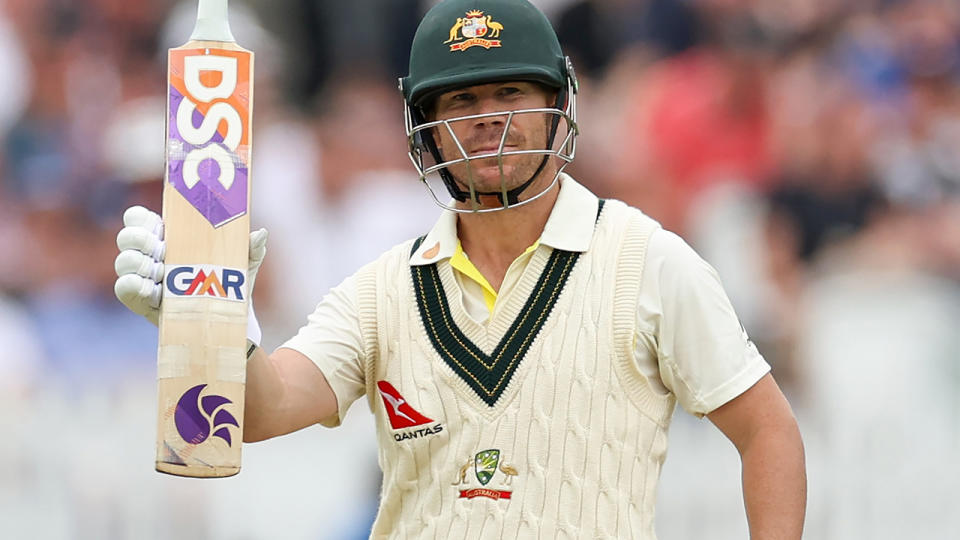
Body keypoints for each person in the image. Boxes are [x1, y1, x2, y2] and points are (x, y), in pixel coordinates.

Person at [114, 0, 806, 537]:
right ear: (426, 129)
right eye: (462, 102)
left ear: (558, 107)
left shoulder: (648, 261)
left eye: (511, 95)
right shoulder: (384, 289)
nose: (489, 120)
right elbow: (262, 412)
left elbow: (768, 431)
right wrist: (215, 320)